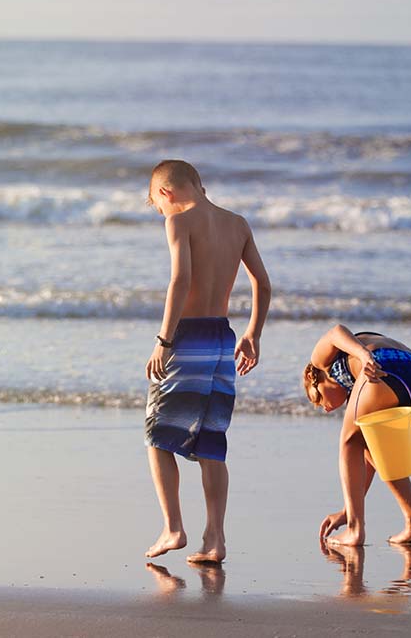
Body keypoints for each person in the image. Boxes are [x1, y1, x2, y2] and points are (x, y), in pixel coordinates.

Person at [143, 159, 271, 564]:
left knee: (157, 435)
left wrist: (164, 340)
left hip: (189, 339)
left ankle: (173, 527)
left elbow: (180, 280)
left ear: (166, 193)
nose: (161, 213)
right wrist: (253, 334)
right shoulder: (238, 224)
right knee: (212, 444)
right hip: (222, 339)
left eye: (157, 205)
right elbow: (263, 284)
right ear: (199, 183)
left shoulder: (179, 221)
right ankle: (215, 540)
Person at [303, 325, 411, 546]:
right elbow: (366, 463)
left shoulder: (320, 362)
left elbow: (336, 332)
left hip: (384, 364)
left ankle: (355, 529)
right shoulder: (357, 383)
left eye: (317, 399)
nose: (324, 408)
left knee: (348, 441)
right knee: (377, 450)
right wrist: (347, 509)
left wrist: (364, 357)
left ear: (315, 380)